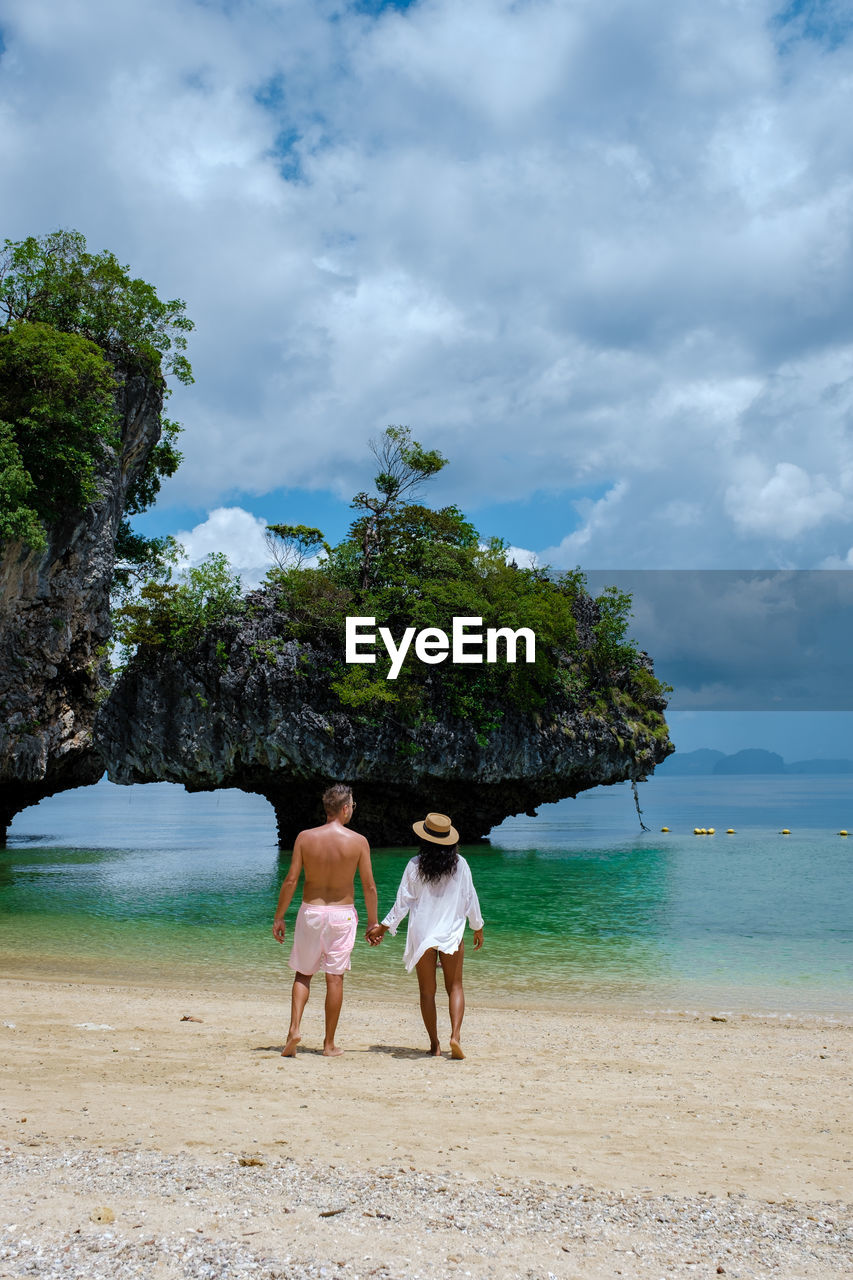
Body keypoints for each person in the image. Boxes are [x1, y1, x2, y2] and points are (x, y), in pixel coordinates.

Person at [272, 784, 378, 1057]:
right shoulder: (358, 842)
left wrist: (279, 916)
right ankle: (329, 1044)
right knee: (335, 979)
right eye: (352, 806)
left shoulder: (305, 838)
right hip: (342, 916)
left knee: (303, 974)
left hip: (311, 912)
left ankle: (294, 1030)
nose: (353, 809)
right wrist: (372, 922)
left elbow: (292, 879)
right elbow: (369, 887)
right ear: (344, 808)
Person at [367, 811, 483, 1059]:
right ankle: (455, 1036)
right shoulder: (461, 864)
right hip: (451, 933)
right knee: (455, 986)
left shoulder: (415, 865)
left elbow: (402, 903)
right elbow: (469, 898)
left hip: (423, 934)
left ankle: (435, 1045)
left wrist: (383, 928)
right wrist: (477, 926)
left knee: (427, 991)